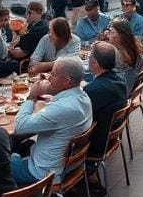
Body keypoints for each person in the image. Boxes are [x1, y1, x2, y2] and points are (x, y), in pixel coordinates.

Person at [9, 57, 92, 185]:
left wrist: (32, 97)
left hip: (44, 173)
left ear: (67, 81)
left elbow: (19, 127)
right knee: (23, 144)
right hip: (70, 166)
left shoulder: (61, 108)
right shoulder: (84, 97)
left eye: (53, 74)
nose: (48, 78)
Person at [83, 42, 128, 195]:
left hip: (95, 143)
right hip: (111, 137)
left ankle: (83, 173)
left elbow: (75, 117)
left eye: (90, 57)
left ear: (95, 63)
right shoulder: (119, 80)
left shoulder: (94, 90)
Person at [107, 19, 143, 96]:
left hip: (123, 89)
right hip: (131, 84)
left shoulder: (121, 53)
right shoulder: (135, 45)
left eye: (111, 32)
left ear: (120, 36)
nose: (108, 34)